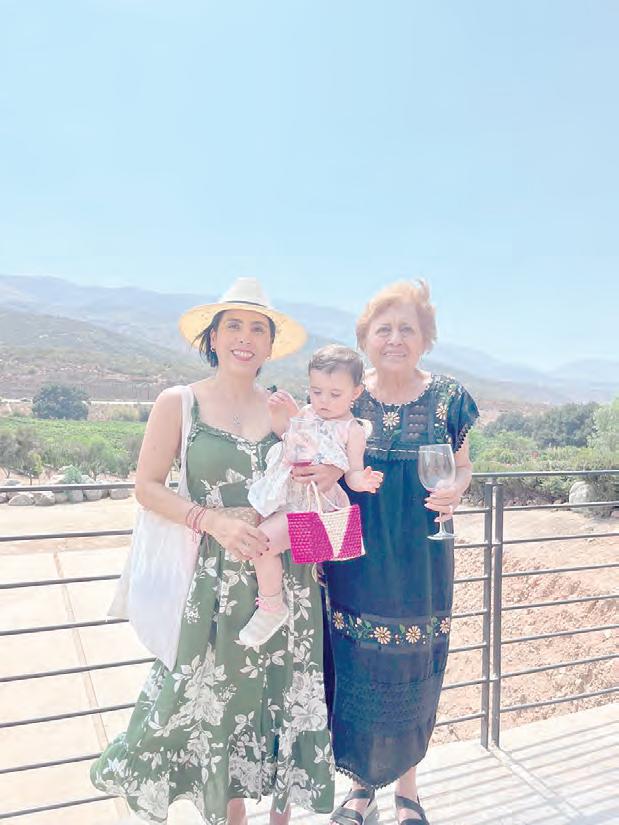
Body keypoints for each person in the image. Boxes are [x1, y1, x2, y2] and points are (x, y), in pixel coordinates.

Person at [90, 278, 335, 825]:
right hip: (211, 580)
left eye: (258, 329)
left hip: (288, 583)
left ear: (270, 345)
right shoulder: (179, 402)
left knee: (283, 696)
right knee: (216, 701)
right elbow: (146, 487)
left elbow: (311, 494)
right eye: (234, 326)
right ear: (214, 337)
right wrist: (213, 522)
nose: (245, 338)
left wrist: (319, 482)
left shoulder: (288, 412)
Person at [324, 281, 479, 825]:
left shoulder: (449, 400)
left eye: (407, 329)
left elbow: (463, 466)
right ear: (364, 338)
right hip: (354, 556)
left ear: (425, 338)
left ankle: (407, 788)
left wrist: (456, 489)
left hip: (422, 555)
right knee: (357, 660)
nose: (395, 339)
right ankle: (361, 787)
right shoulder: (345, 394)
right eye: (383, 329)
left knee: (415, 663)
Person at [240, 344, 383, 647]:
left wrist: (364, 481)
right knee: (260, 539)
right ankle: (274, 600)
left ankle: (271, 606)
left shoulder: (352, 429)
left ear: (356, 393)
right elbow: (287, 437)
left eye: (335, 394)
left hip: (313, 508)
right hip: (289, 498)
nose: (324, 401)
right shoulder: (307, 413)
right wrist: (280, 414)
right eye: (317, 392)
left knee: (260, 544)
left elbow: (352, 473)